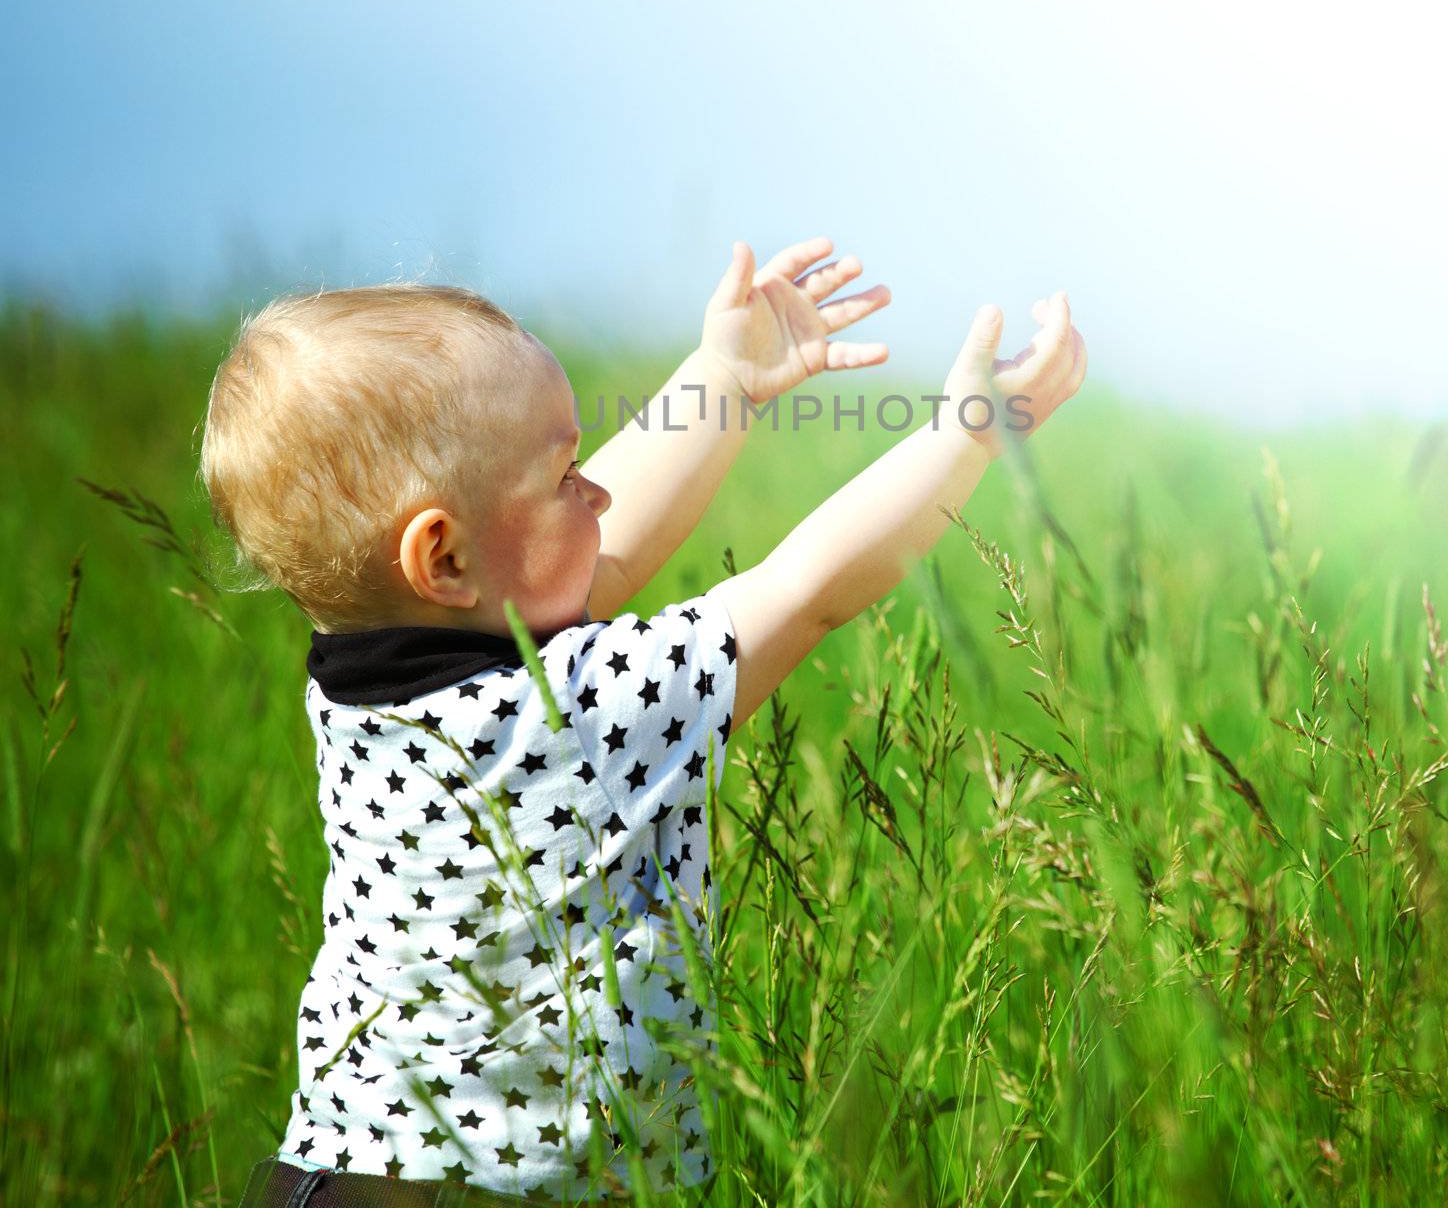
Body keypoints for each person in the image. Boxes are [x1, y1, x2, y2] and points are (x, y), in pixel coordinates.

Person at [203, 237, 1085, 1205]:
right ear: (442, 557)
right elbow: (805, 590)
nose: (599, 490)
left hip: (337, 1176)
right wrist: (968, 432)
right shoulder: (564, 717)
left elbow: (587, 561)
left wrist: (726, 380)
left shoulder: (368, 689)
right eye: (564, 472)